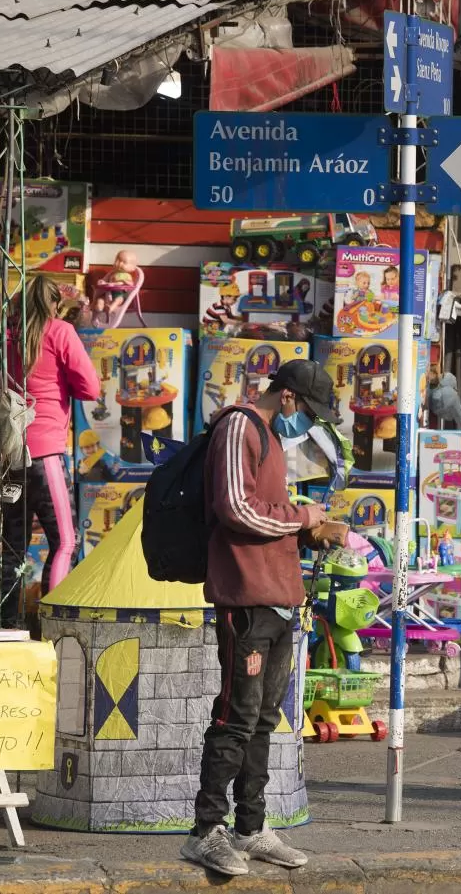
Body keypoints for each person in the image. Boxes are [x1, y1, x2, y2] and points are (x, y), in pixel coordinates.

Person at [183, 360, 345, 876]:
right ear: (290, 397)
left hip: (279, 596)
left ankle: (251, 828)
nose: (309, 424)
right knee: (235, 718)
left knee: (263, 721)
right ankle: (206, 832)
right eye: (310, 411)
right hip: (245, 598)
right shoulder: (240, 426)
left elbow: (265, 511)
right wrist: (304, 517)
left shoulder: (272, 436)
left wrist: (307, 527)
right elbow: (236, 508)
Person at [0, 276, 100, 629]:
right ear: (54, 305)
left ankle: (8, 625)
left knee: (13, 540)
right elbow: (90, 388)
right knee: (65, 541)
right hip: (42, 453)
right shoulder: (59, 332)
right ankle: (53, 623)